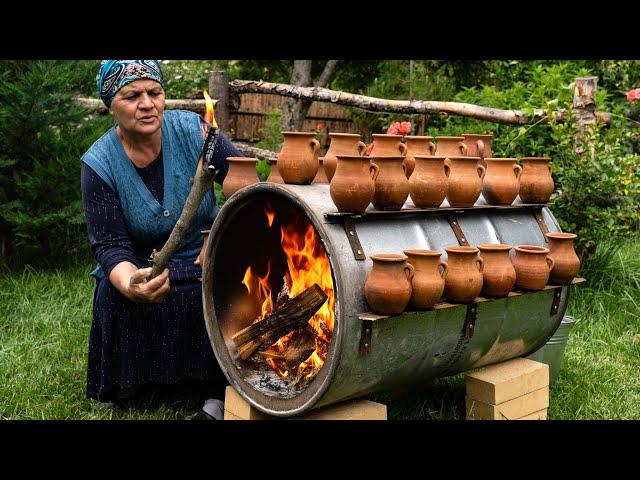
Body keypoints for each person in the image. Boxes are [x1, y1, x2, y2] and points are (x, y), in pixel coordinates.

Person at [81, 60, 243, 419]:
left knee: (225, 284)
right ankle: (145, 381)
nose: (147, 103)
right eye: (131, 96)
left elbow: (248, 188)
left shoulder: (195, 132)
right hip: (146, 268)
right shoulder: (99, 163)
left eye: (154, 93)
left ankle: (215, 394)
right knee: (113, 292)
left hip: (205, 260)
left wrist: (219, 236)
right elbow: (109, 245)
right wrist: (130, 282)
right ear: (110, 104)